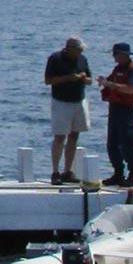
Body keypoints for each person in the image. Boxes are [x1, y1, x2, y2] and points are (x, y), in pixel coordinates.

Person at [43, 36, 93, 184]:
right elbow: (48, 80)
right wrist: (67, 78)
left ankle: (67, 171)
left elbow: (90, 79)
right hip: (61, 102)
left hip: (78, 100)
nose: (80, 52)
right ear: (69, 48)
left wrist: (83, 78)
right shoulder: (55, 58)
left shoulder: (82, 59)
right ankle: (55, 172)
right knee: (60, 137)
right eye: (78, 50)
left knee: (74, 135)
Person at [99, 42, 133, 187]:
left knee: (128, 142)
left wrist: (110, 85)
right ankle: (118, 173)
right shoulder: (117, 69)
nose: (114, 57)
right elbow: (111, 82)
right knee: (112, 143)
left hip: (127, 110)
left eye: (116, 54)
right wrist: (104, 84)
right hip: (115, 108)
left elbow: (130, 89)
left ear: (124, 55)